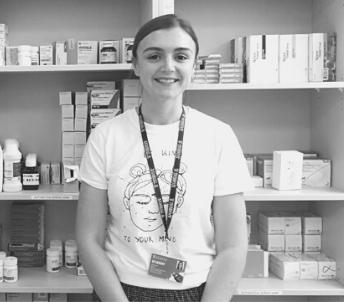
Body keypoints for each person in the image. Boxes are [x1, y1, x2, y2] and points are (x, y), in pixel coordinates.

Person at [76, 14, 253, 302]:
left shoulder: (218, 136)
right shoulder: (106, 137)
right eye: (154, 56)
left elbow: (233, 246)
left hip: (197, 291)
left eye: (181, 56)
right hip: (119, 290)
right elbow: (88, 238)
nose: (168, 66)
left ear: (193, 66)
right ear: (135, 65)